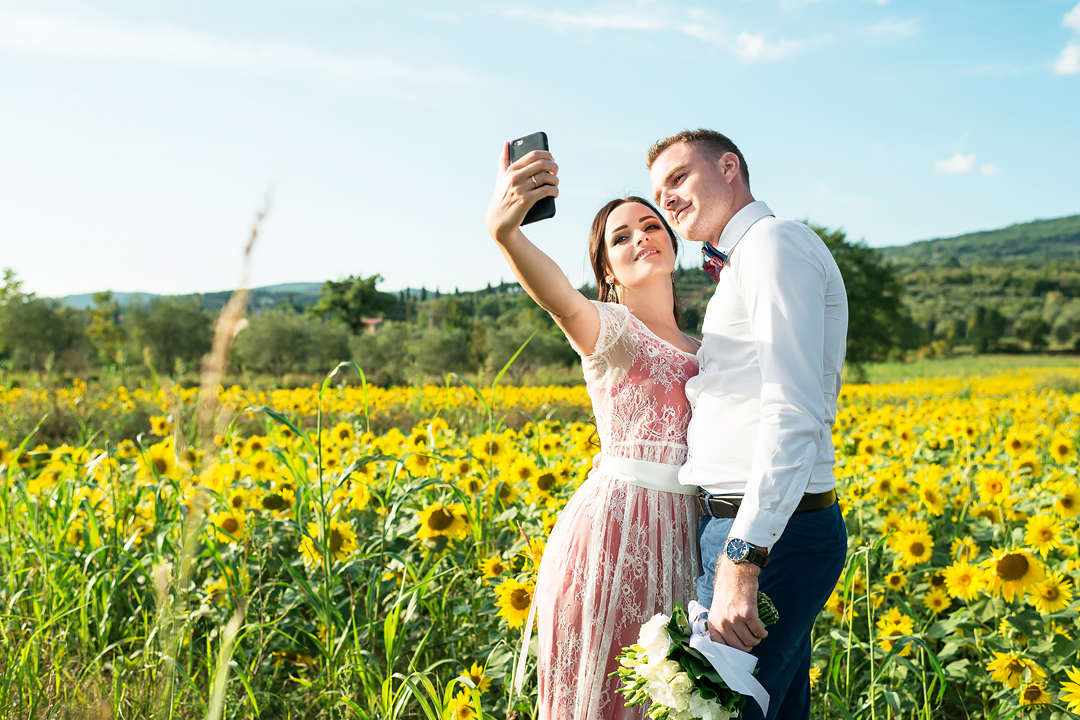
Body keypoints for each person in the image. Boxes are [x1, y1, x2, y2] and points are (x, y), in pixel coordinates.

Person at [485, 142, 700, 719]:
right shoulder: (609, 329)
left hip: (685, 535)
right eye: (620, 237)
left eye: (650, 226)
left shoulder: (710, 349)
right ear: (606, 268)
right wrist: (507, 234)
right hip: (613, 531)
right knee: (604, 697)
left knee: (671, 698)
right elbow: (557, 297)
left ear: (673, 244)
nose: (640, 239)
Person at [648, 129, 849, 720]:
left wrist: (744, 554)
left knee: (720, 712)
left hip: (765, 534)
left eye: (679, 178)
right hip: (753, 526)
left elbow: (792, 407)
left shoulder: (772, 245)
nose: (670, 200)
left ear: (729, 167)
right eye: (662, 192)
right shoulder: (746, 260)